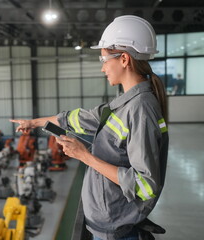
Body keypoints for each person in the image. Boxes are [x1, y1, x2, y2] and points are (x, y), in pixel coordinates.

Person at [10, 15, 169, 240]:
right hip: (105, 225)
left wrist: (85, 156)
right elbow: (78, 118)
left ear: (124, 59)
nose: (103, 68)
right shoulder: (124, 104)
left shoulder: (140, 110)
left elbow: (145, 186)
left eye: (104, 59)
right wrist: (34, 122)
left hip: (116, 233)